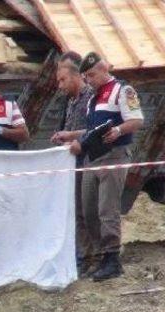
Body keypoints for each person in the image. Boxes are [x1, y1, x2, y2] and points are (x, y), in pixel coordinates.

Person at [61, 52, 144, 281]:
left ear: (104, 69)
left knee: (107, 210)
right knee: (89, 211)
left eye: (92, 75)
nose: (89, 80)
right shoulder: (92, 98)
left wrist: (118, 130)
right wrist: (71, 135)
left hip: (114, 155)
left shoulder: (122, 90)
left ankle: (112, 258)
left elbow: (137, 120)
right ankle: (98, 254)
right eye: (86, 76)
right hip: (93, 157)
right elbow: (90, 131)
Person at [50, 51, 95, 277]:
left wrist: (71, 137)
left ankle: (90, 256)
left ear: (76, 76)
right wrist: (61, 137)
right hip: (72, 162)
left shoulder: (90, 98)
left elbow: (95, 131)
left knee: (87, 209)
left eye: (63, 80)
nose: (60, 85)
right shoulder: (70, 101)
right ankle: (81, 254)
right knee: (75, 209)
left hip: (88, 160)